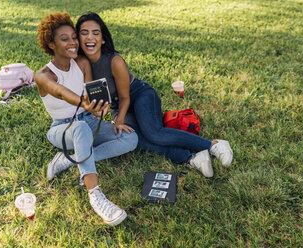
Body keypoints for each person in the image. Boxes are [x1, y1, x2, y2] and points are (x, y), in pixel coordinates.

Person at [75, 12, 233, 178]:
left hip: (139, 94)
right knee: (136, 140)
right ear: (78, 38)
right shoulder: (80, 64)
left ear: (103, 39)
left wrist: (119, 120)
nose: (89, 38)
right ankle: (193, 158)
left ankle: (214, 145)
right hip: (118, 106)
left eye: (95, 33)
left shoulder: (115, 61)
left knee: (153, 133)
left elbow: (125, 97)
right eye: (84, 33)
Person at [35, 12, 138, 226]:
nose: (73, 42)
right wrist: (83, 103)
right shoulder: (44, 75)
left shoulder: (82, 63)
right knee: (80, 128)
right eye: (65, 39)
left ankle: (71, 159)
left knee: (131, 138)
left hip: (88, 121)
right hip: (62, 129)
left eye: (74, 37)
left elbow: (93, 96)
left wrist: (98, 110)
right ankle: (96, 196)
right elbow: (61, 92)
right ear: (51, 44)